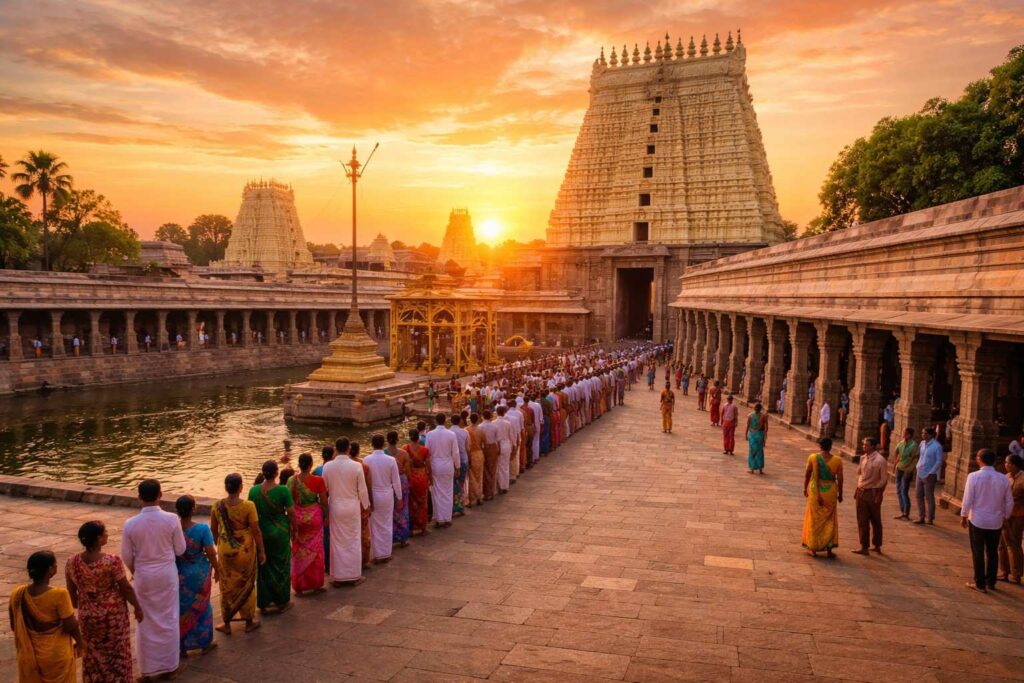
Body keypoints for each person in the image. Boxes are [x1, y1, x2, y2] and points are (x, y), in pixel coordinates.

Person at [120, 479, 186, 680]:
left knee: (145, 621)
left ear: (139, 497)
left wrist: (137, 571)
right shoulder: (172, 519)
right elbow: (180, 549)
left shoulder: (130, 524)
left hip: (144, 575)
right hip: (166, 573)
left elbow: (127, 556)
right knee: (169, 618)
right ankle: (170, 665)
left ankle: (148, 669)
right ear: (161, 495)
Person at [65, 520, 141, 682]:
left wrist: (85, 607)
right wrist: (137, 607)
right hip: (112, 616)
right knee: (117, 652)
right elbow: (126, 588)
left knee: (93, 654)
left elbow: (71, 594)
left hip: (87, 616)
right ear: (99, 539)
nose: (108, 534)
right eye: (105, 532)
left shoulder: (72, 562)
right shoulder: (111, 561)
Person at [10, 551, 83, 683]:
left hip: (29, 656)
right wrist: (81, 642)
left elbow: (14, 625)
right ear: (50, 569)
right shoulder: (60, 595)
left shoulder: (17, 594)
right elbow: (70, 626)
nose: (56, 566)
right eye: (55, 564)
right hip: (56, 656)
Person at [211, 473, 264, 634]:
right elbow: (256, 531)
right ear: (241, 487)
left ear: (226, 488)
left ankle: (226, 623)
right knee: (246, 583)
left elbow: (214, 530)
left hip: (225, 549)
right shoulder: (248, 506)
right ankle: (248, 621)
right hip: (245, 550)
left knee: (227, 585)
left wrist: (220, 545)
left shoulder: (217, 506)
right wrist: (262, 551)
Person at [961, 449, 1013, 592]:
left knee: (977, 552)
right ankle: (991, 581)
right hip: (995, 520)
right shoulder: (1003, 478)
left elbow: (968, 498)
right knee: (992, 551)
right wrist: (1005, 517)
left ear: (980, 459)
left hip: (977, 519)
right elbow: (1009, 501)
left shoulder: (973, 476)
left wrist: (964, 515)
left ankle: (980, 583)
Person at [322, 438, 370, 586]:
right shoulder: (356, 466)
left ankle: (338, 576)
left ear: (336, 449)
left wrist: (325, 511)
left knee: (336, 540)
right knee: (353, 539)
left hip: (336, 506)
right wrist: (366, 506)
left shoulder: (328, 466)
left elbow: (324, 490)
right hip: (352, 507)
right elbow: (362, 490)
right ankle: (354, 575)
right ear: (349, 448)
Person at [247, 460, 294, 614]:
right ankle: (282, 601)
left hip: (261, 533)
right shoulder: (283, 490)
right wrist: (294, 529)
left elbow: (251, 515)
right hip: (280, 533)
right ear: (276, 473)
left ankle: (264, 603)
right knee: (281, 566)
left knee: (264, 567)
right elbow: (291, 513)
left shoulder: (253, 491)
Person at [174, 495, 218, 657]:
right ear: (194, 509)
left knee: (182, 607)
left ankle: (183, 646)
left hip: (179, 572)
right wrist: (218, 569)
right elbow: (211, 552)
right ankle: (204, 643)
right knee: (202, 606)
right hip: (199, 573)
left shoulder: (174, 529)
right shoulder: (202, 529)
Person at [288, 453, 328, 595]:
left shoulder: (291, 481)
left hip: (298, 518)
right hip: (313, 518)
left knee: (298, 551)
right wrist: (325, 516)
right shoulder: (318, 480)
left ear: (299, 464)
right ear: (311, 465)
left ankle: (299, 587)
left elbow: (290, 503)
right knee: (316, 551)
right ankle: (316, 584)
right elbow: (323, 502)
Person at [801, 437, 844, 558]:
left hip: (815, 490)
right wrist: (840, 494)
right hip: (830, 490)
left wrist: (805, 488)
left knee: (814, 519)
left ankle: (813, 548)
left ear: (820, 447)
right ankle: (829, 548)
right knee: (830, 520)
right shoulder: (837, 460)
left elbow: (807, 474)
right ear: (831, 447)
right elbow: (840, 479)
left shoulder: (813, 458)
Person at [364, 434, 403, 563]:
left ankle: (376, 554)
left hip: (373, 494)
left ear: (372, 444)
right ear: (383, 444)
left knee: (374, 524)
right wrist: (399, 497)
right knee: (386, 522)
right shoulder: (390, 460)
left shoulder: (366, 460)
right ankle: (385, 553)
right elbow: (396, 481)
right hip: (386, 494)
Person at [852, 437, 887, 556]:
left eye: (866, 445)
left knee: (876, 520)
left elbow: (883, 480)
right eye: (863, 445)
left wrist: (879, 494)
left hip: (872, 492)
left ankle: (877, 545)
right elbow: (859, 474)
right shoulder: (863, 458)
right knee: (862, 520)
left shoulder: (880, 460)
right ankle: (864, 546)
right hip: (862, 490)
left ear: (873, 446)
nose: (864, 447)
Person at [425, 413, 460, 527]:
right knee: (448, 492)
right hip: (447, 465)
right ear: (445, 421)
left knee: (436, 492)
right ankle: (447, 518)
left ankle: (438, 518)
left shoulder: (429, 435)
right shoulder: (451, 434)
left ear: (436, 421)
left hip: (435, 465)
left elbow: (427, 453)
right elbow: (455, 452)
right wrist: (457, 466)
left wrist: (428, 469)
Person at [998, 453, 1024, 584]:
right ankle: (1004, 571)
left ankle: (1016, 573)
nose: (1006, 465)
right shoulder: (1006, 478)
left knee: (1014, 545)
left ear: (1015, 465)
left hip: (1018, 515)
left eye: (1008, 463)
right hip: (1005, 515)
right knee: (1002, 545)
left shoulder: (1023, 479)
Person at [386, 431, 412, 547]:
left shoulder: (383, 454)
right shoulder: (404, 454)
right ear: (397, 440)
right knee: (402, 510)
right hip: (401, 482)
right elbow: (407, 472)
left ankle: (391, 538)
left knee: (390, 511)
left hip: (388, 482)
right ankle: (403, 538)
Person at [404, 429, 432, 535]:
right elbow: (428, 465)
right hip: (422, 477)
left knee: (411, 503)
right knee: (423, 503)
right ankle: (422, 528)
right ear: (418, 438)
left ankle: (411, 529)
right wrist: (431, 477)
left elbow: (403, 464)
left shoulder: (405, 449)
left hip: (410, 477)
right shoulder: (425, 450)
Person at [914, 427, 944, 525]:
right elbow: (920, 455)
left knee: (929, 496)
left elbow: (939, 461)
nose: (923, 435)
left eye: (925, 433)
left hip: (930, 474)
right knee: (918, 495)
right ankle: (921, 516)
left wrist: (931, 472)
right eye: (922, 433)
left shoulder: (937, 446)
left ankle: (930, 518)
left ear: (931, 435)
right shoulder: (922, 444)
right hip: (920, 471)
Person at [892, 428, 918, 520]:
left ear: (910, 435)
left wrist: (911, 469)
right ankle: (902, 511)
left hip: (907, 470)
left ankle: (906, 512)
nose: (904, 435)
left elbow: (915, 459)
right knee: (898, 491)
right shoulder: (901, 443)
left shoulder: (914, 445)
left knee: (904, 491)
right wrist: (895, 464)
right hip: (900, 468)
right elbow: (896, 453)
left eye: (906, 433)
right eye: (903, 433)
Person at [450, 414, 470, 515]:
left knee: (452, 485)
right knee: (461, 484)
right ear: (460, 421)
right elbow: (468, 448)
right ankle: (460, 506)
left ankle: (452, 507)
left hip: (451, 462)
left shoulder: (448, 433)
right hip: (463, 460)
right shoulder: (465, 432)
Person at [466, 413, 485, 507]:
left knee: (471, 477)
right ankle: (479, 497)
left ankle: (470, 499)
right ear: (477, 420)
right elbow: (484, 443)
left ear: (470, 419)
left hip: (470, 454)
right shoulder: (481, 430)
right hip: (478, 453)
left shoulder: (466, 430)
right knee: (479, 476)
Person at [745, 403, 767, 474]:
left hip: (753, 435)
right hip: (759, 435)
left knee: (752, 451)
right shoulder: (763, 416)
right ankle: (760, 469)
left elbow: (748, 426)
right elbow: (766, 428)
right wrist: (765, 436)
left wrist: (746, 434)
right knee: (759, 451)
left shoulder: (750, 415)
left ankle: (752, 469)